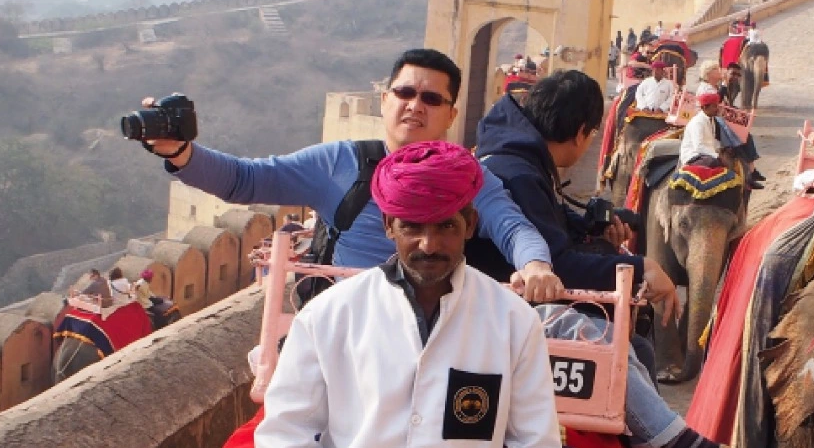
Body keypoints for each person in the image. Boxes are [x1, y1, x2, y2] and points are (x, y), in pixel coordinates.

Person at [469, 69, 791, 448]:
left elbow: (547, 230)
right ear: (582, 133)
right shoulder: (517, 171)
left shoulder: (521, 159)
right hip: (504, 306)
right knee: (602, 338)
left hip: (517, 298)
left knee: (637, 342)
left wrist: (596, 225)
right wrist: (637, 264)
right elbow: (552, 261)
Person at [253, 141, 563, 448]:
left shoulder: (513, 322)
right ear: (387, 225)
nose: (429, 244)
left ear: (470, 224)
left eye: (445, 227)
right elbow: (287, 435)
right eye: (412, 227)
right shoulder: (328, 315)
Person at [138, 49, 564, 303]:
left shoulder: (466, 177)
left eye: (432, 98)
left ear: (451, 115)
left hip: (436, 329)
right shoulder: (340, 164)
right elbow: (245, 180)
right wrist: (181, 152)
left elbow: (512, 228)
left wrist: (536, 265)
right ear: (385, 100)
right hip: (345, 331)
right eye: (405, 93)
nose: (415, 105)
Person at [679, 89, 726, 167]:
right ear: (704, 107)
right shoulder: (698, 122)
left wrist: (721, 150)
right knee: (713, 162)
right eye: (714, 106)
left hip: (705, 155)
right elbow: (698, 147)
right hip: (693, 156)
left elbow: (711, 141)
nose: (717, 109)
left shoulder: (712, 120)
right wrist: (715, 155)